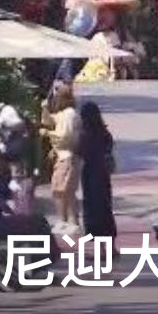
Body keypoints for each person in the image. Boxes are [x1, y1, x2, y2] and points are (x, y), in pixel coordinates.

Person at [40, 82, 82, 233]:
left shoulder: (70, 114)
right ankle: (66, 221)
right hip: (62, 156)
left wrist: (48, 134)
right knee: (62, 190)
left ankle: (69, 221)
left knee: (63, 190)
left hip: (67, 156)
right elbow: (48, 122)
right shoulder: (63, 114)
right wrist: (45, 108)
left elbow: (65, 135)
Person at [78, 102, 117, 239]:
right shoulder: (105, 133)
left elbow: (80, 152)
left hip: (89, 172)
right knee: (105, 206)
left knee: (91, 206)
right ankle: (110, 240)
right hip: (103, 173)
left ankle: (96, 240)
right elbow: (108, 149)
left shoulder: (84, 135)